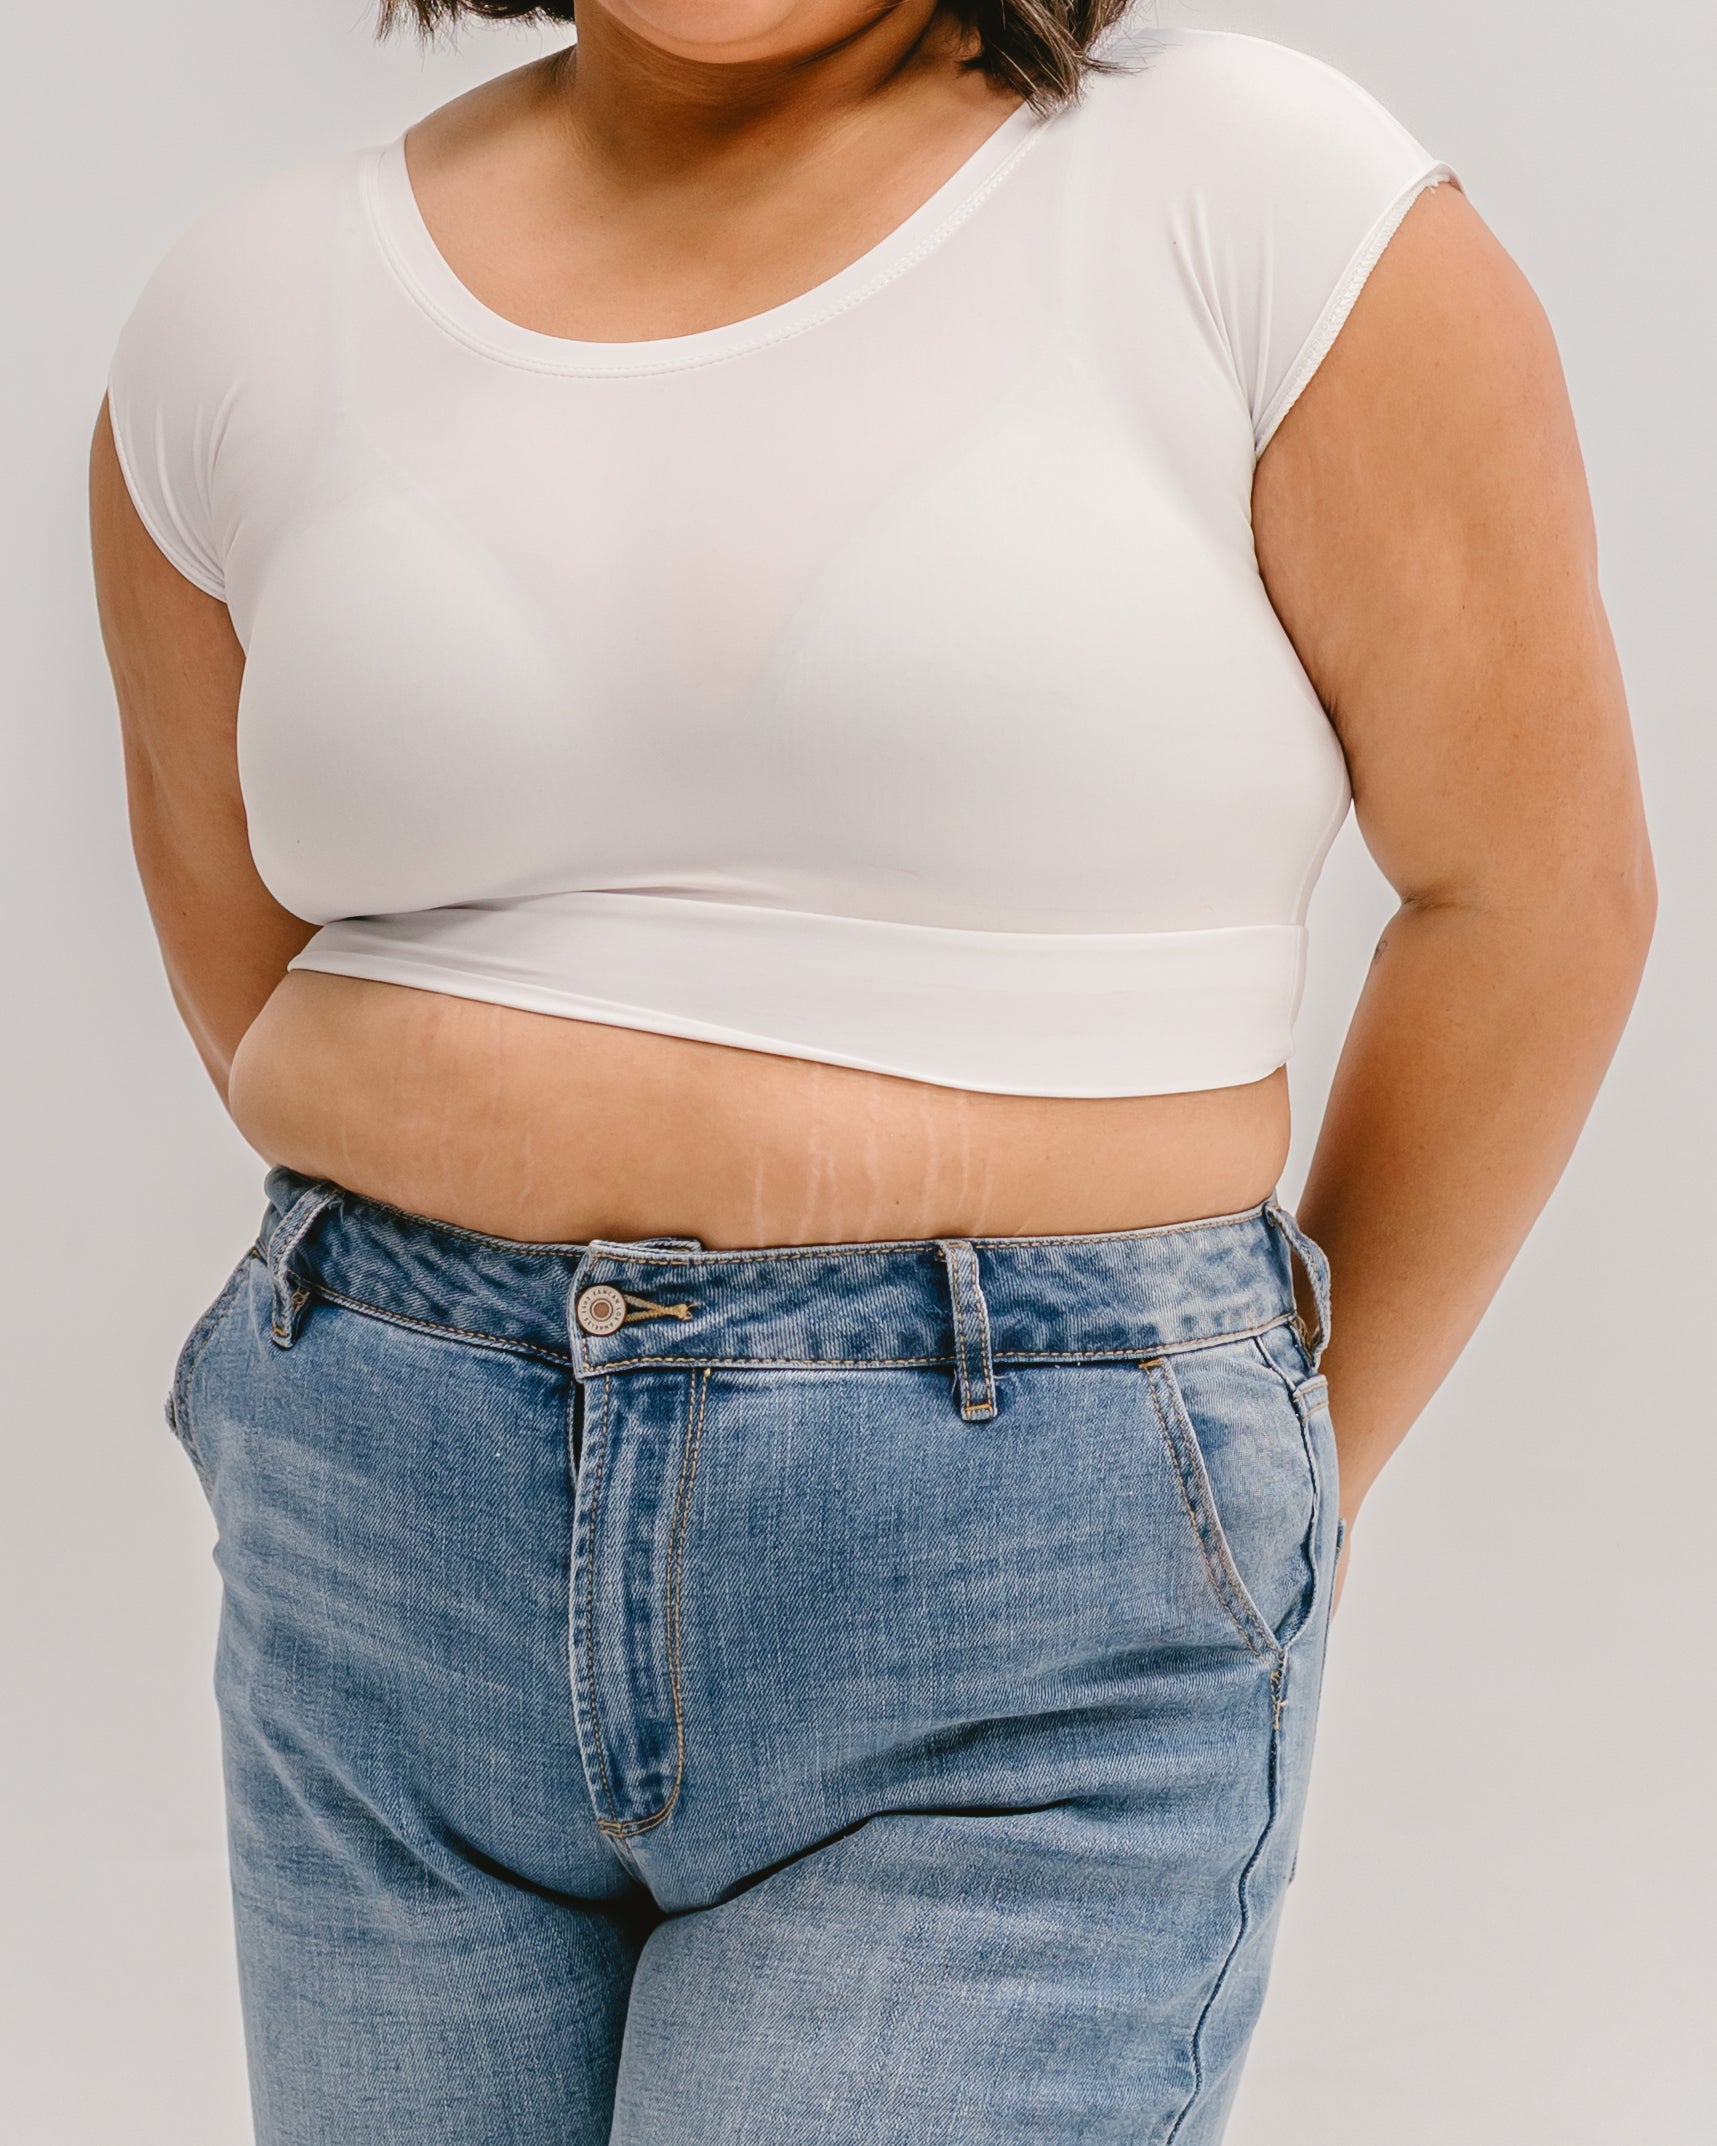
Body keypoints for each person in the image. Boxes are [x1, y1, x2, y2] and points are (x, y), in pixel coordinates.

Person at [87, 1, 1655, 2138]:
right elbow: (253, 979)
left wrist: (1277, 1461)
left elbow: (1536, 894)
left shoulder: (1259, 202)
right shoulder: (250, 309)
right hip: (386, 1546)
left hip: (1023, 1582)